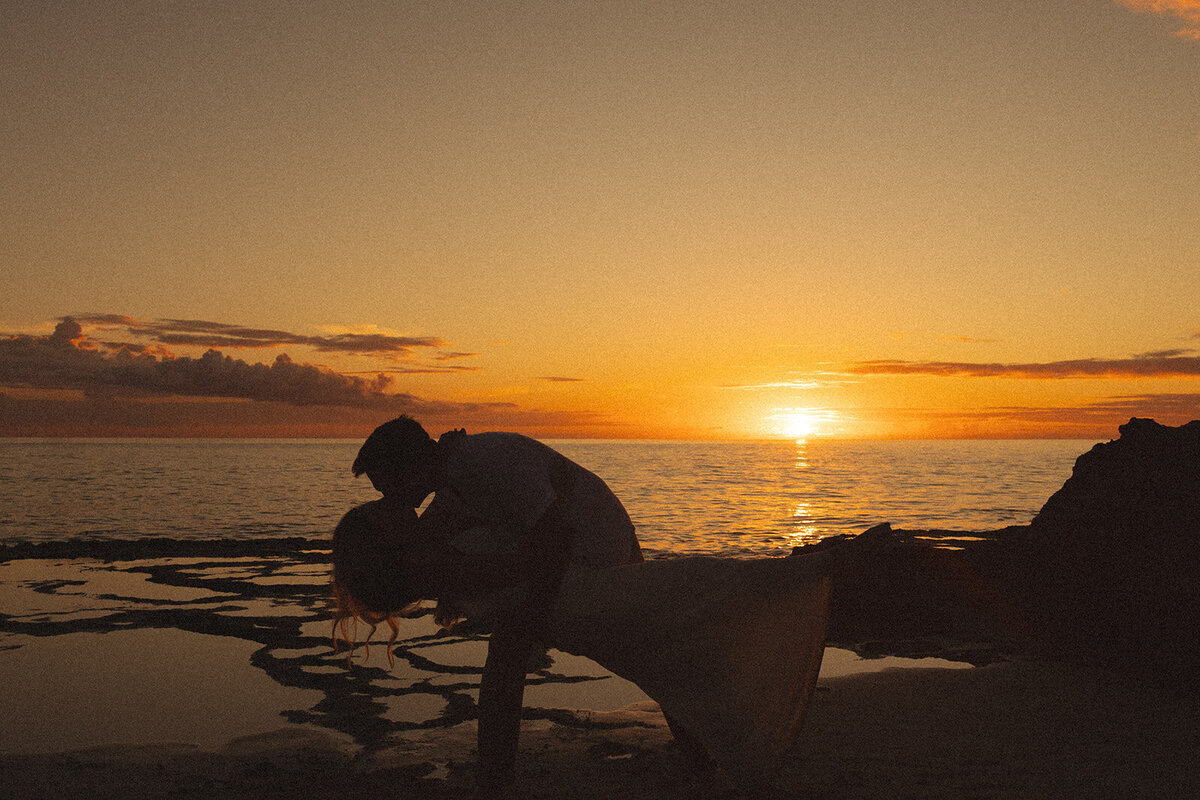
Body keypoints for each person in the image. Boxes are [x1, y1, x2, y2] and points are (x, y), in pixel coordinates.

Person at [331, 500, 891, 794]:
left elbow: (511, 606)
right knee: (712, 601)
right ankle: (845, 562)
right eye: (385, 513)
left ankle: (842, 563)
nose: (395, 503)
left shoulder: (448, 563)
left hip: (595, 606)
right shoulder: (456, 562)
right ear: (392, 546)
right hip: (599, 600)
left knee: (681, 649)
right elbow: (527, 574)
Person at [350, 417, 644, 790]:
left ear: (408, 468)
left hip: (597, 549)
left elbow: (556, 533)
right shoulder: (454, 478)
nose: (386, 497)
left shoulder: (489, 461)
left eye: (385, 487)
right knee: (640, 652)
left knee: (507, 653)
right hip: (584, 543)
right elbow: (425, 541)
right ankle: (494, 773)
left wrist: (529, 621)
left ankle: (494, 778)